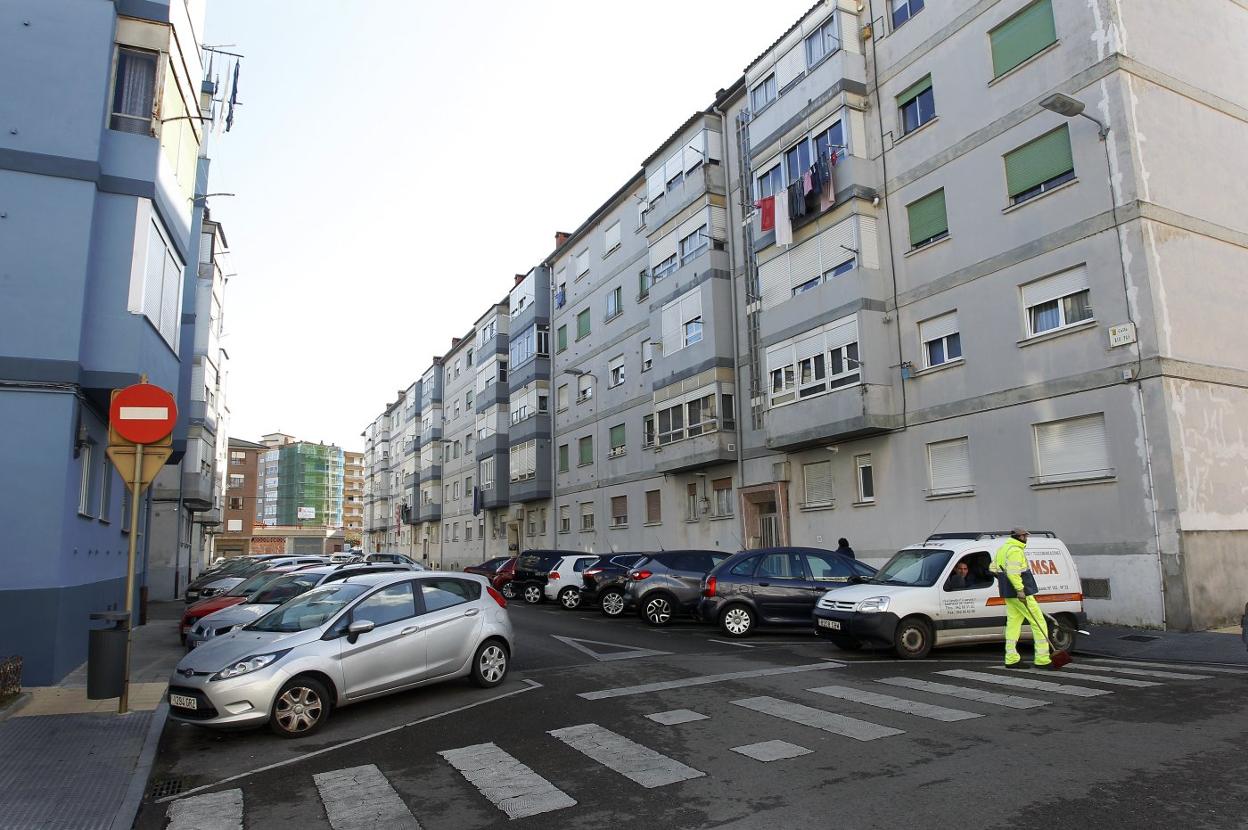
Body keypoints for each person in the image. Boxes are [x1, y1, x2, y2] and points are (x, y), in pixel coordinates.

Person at [989, 528, 1053, 669]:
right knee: (1039, 622)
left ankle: (1011, 658)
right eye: (1025, 536)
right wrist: (1020, 590)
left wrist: (1003, 581)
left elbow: (992, 568)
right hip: (1021, 594)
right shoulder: (1016, 551)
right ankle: (1042, 659)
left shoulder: (1003, 549)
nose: (1026, 538)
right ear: (1019, 536)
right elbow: (1013, 574)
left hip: (1009, 594)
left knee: (1013, 624)